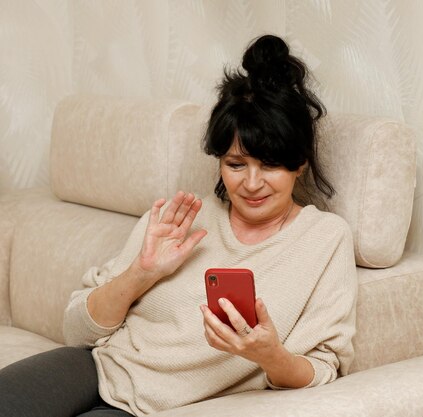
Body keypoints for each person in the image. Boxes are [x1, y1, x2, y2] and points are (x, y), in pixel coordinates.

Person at [0, 34, 357, 417]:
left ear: (299, 163)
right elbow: (77, 331)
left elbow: (324, 366)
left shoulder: (324, 239)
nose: (251, 184)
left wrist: (270, 356)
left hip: (155, 407)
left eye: (269, 165)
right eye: (236, 165)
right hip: (95, 366)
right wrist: (141, 273)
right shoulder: (181, 216)